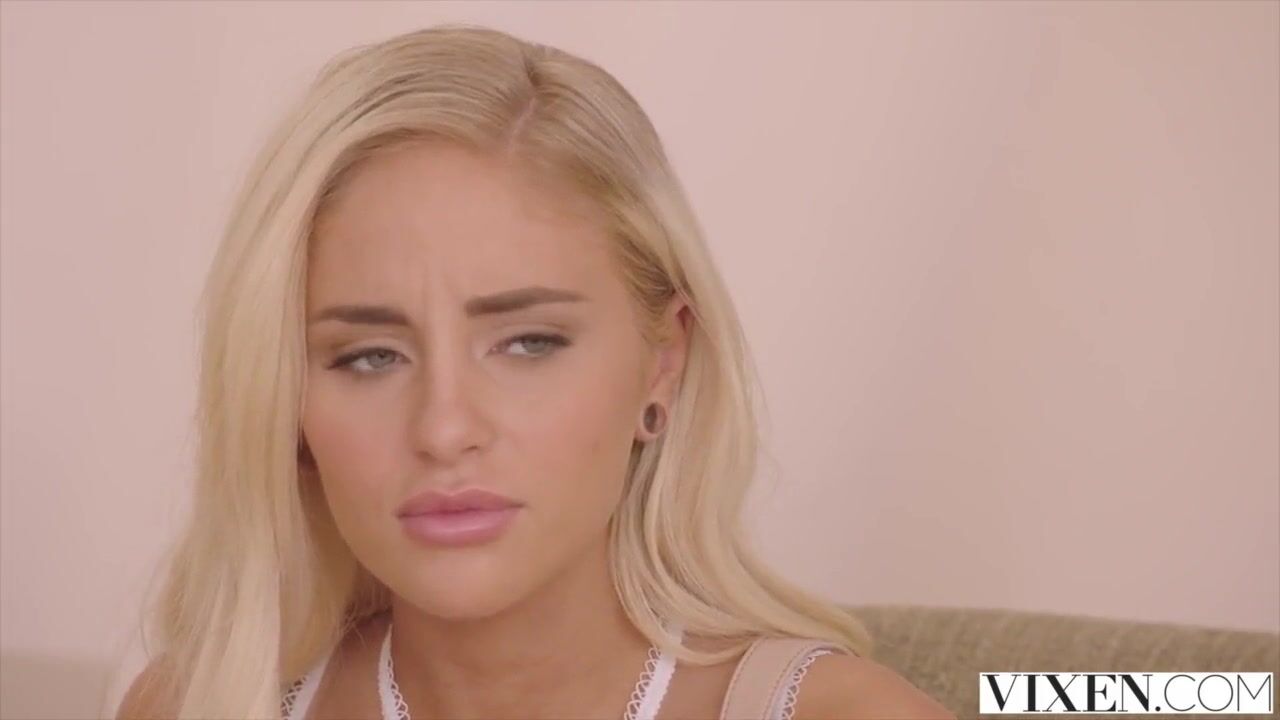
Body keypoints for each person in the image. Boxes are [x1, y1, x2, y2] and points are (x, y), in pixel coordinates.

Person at [115, 23, 954, 720]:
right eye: (370, 356)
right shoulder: (196, 705)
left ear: (662, 365)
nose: (445, 428)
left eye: (528, 344)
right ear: (285, 404)